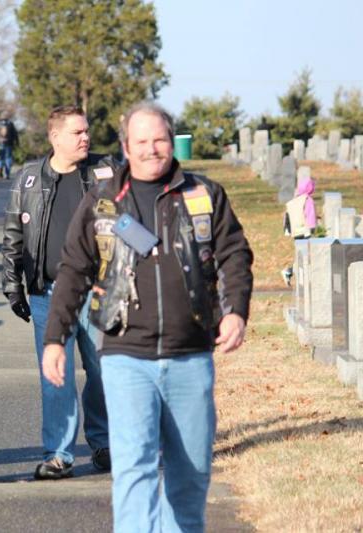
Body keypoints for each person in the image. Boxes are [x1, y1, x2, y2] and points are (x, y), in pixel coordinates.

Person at [42, 101, 253, 532]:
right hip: (125, 356)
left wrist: (235, 313)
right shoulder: (102, 201)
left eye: (159, 139)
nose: (151, 149)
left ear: (171, 141)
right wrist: (54, 339)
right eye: (141, 141)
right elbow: (74, 270)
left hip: (191, 356)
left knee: (190, 472)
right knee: (134, 466)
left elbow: (234, 255)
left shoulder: (203, 194)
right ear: (125, 146)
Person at [1, 105, 110, 480]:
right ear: (55, 137)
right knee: (55, 375)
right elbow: (13, 235)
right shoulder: (29, 178)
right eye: (77, 132)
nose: (86, 138)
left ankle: (104, 443)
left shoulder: (105, 172)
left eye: (86, 131)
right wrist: (12, 285)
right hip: (48, 294)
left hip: (98, 292)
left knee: (102, 371)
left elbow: (127, 220)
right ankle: (59, 454)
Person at [282, 176, 317, 285]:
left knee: (301, 254)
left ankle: (293, 273)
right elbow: (310, 217)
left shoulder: (296, 200)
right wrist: (314, 229)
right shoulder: (308, 199)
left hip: (296, 231)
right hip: (305, 231)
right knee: (307, 255)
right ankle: (290, 271)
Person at [0, 112, 19, 179]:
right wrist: (17, 143)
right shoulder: (10, 124)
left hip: (0, 144)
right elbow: (15, 134)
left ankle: (0, 171)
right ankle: (7, 174)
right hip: (9, 144)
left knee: (1, 158)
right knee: (8, 158)